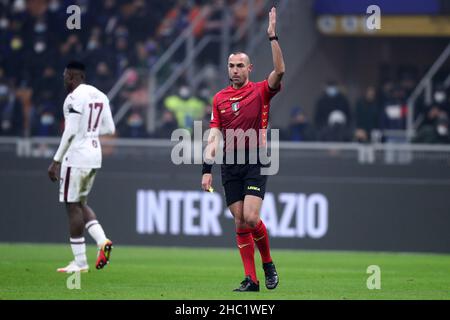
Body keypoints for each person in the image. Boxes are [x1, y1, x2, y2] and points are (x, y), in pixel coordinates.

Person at [201, 7, 285, 292]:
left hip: (256, 159)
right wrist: (206, 170)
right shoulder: (219, 98)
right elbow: (213, 136)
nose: (235, 69)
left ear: (249, 69)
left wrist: (272, 37)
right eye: (231, 65)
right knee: (239, 220)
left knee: (251, 217)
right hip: (230, 163)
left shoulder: (261, 90)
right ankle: (251, 280)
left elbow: (280, 71)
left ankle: (268, 264)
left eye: (240, 65)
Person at [47, 61, 115, 273]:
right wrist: (91, 131)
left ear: (74, 77)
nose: (65, 80)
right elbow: (110, 128)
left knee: (71, 205)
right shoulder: (100, 95)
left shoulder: (74, 98)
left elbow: (71, 132)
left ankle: (80, 262)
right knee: (80, 202)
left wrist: (56, 160)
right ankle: (102, 241)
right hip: (94, 154)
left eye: (66, 76)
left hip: (76, 156)